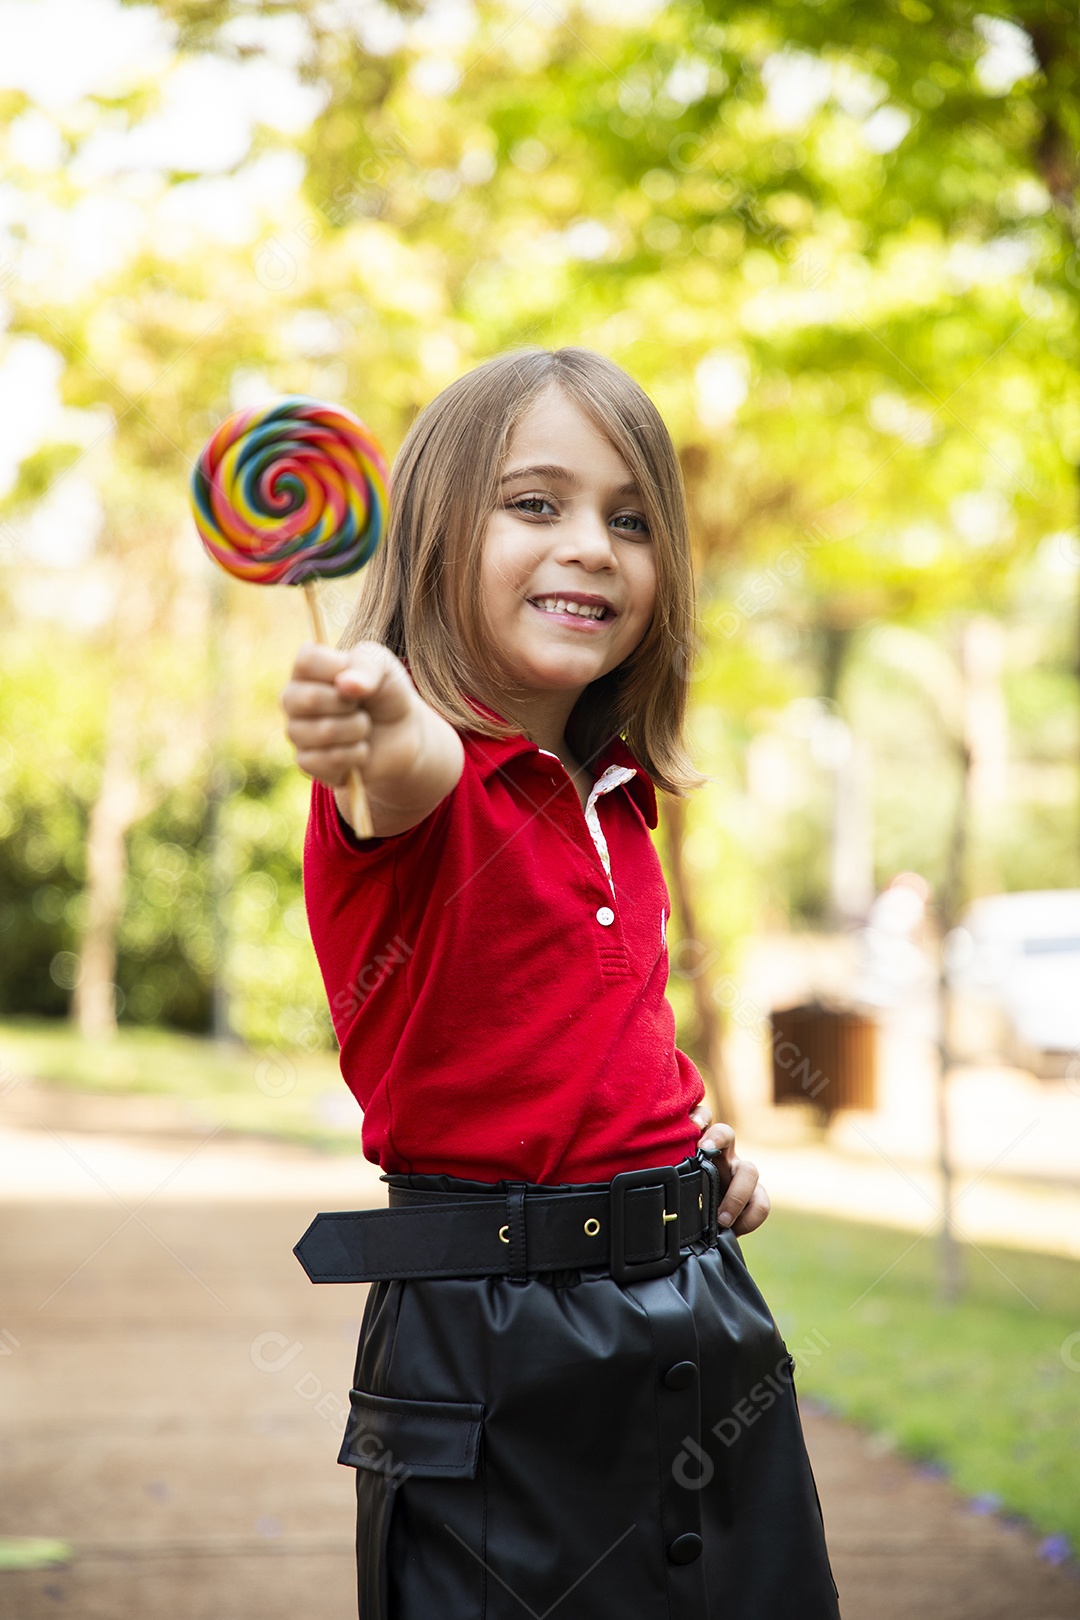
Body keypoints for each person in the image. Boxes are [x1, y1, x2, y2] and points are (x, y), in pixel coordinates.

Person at [281, 347, 839, 1620]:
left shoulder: (620, 800)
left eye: (630, 518)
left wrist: (698, 1157)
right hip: (493, 1357)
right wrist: (372, 718)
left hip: (703, 1318)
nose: (591, 544)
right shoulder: (414, 786)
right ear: (432, 536)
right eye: (535, 504)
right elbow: (401, 762)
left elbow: (605, 1040)